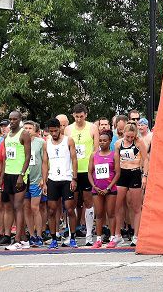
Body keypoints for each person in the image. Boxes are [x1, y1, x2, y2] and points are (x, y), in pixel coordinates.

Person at [42, 117, 78, 249]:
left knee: (69, 209)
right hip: (52, 179)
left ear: (60, 129)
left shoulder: (68, 140)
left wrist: (74, 178)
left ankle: (72, 237)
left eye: (55, 130)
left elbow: (74, 159)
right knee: (51, 210)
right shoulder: (47, 143)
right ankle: (53, 239)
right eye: (51, 131)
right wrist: (44, 181)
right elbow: (45, 162)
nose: (53, 133)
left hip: (67, 178)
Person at [65, 103, 98, 243]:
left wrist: (92, 166)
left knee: (88, 201)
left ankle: (89, 235)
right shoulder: (68, 129)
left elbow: (96, 149)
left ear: (86, 115)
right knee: (71, 203)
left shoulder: (92, 127)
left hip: (87, 170)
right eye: (77, 116)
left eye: (81, 116)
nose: (79, 119)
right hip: (73, 171)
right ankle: (71, 234)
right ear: (73, 115)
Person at [0, 111, 32, 250]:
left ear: (20, 120)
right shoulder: (7, 136)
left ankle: (17, 239)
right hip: (8, 173)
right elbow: (7, 158)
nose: (12, 121)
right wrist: (2, 177)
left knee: (18, 207)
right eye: (10, 119)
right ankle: (24, 239)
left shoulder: (24, 134)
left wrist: (22, 174)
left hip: (20, 174)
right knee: (13, 207)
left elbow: (27, 156)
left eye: (15, 119)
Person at [113, 122, 148, 248]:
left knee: (136, 207)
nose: (130, 139)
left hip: (134, 173)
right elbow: (116, 162)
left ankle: (136, 236)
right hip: (122, 174)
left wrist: (144, 175)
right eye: (128, 137)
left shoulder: (138, 143)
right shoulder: (118, 144)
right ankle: (118, 235)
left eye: (132, 137)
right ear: (123, 134)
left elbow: (146, 159)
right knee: (118, 205)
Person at [90, 131, 120, 248]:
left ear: (109, 141)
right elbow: (89, 172)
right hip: (97, 189)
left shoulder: (114, 155)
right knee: (99, 214)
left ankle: (112, 238)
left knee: (111, 213)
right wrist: (94, 186)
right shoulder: (94, 155)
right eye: (100, 140)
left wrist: (108, 187)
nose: (102, 143)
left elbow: (117, 173)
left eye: (105, 140)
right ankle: (98, 239)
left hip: (110, 189)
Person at [22, 120, 45, 248]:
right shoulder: (20, 143)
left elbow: (44, 161)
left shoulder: (40, 143)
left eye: (30, 128)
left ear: (35, 130)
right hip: (24, 179)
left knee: (35, 207)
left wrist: (43, 178)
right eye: (26, 128)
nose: (28, 130)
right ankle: (31, 235)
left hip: (36, 179)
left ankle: (39, 235)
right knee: (26, 208)